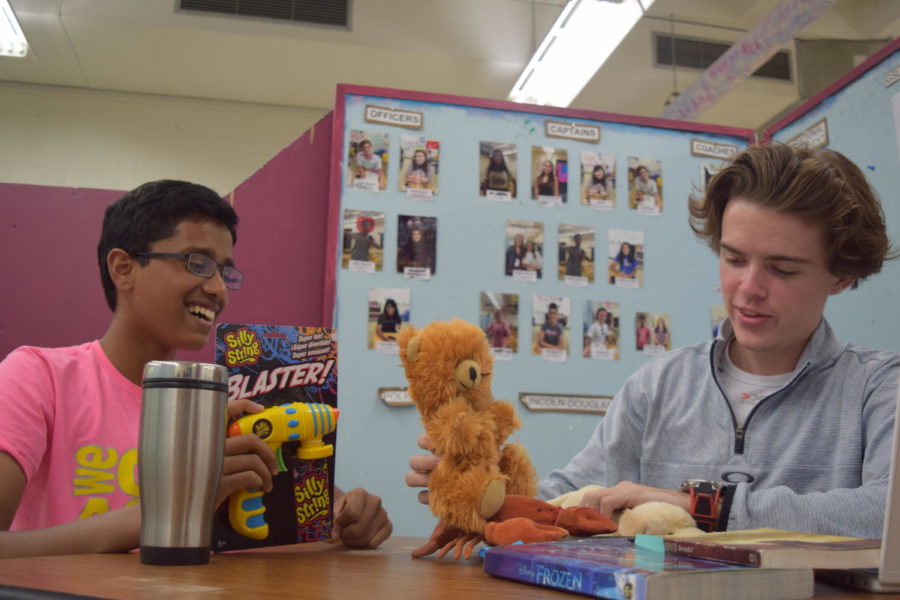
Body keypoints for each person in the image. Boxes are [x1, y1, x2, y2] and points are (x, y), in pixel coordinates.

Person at [408, 144, 899, 538]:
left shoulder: (877, 388)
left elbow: (887, 512)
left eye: (782, 268)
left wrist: (701, 508)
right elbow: (567, 500)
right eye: (732, 259)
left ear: (842, 275)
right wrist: (482, 489)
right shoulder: (659, 385)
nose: (748, 287)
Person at [0, 180, 392, 558]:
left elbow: (302, 517)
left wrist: (347, 514)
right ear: (123, 268)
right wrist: (175, 509)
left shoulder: (226, 403)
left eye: (225, 271)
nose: (219, 288)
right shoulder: (39, 377)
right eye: (198, 262)